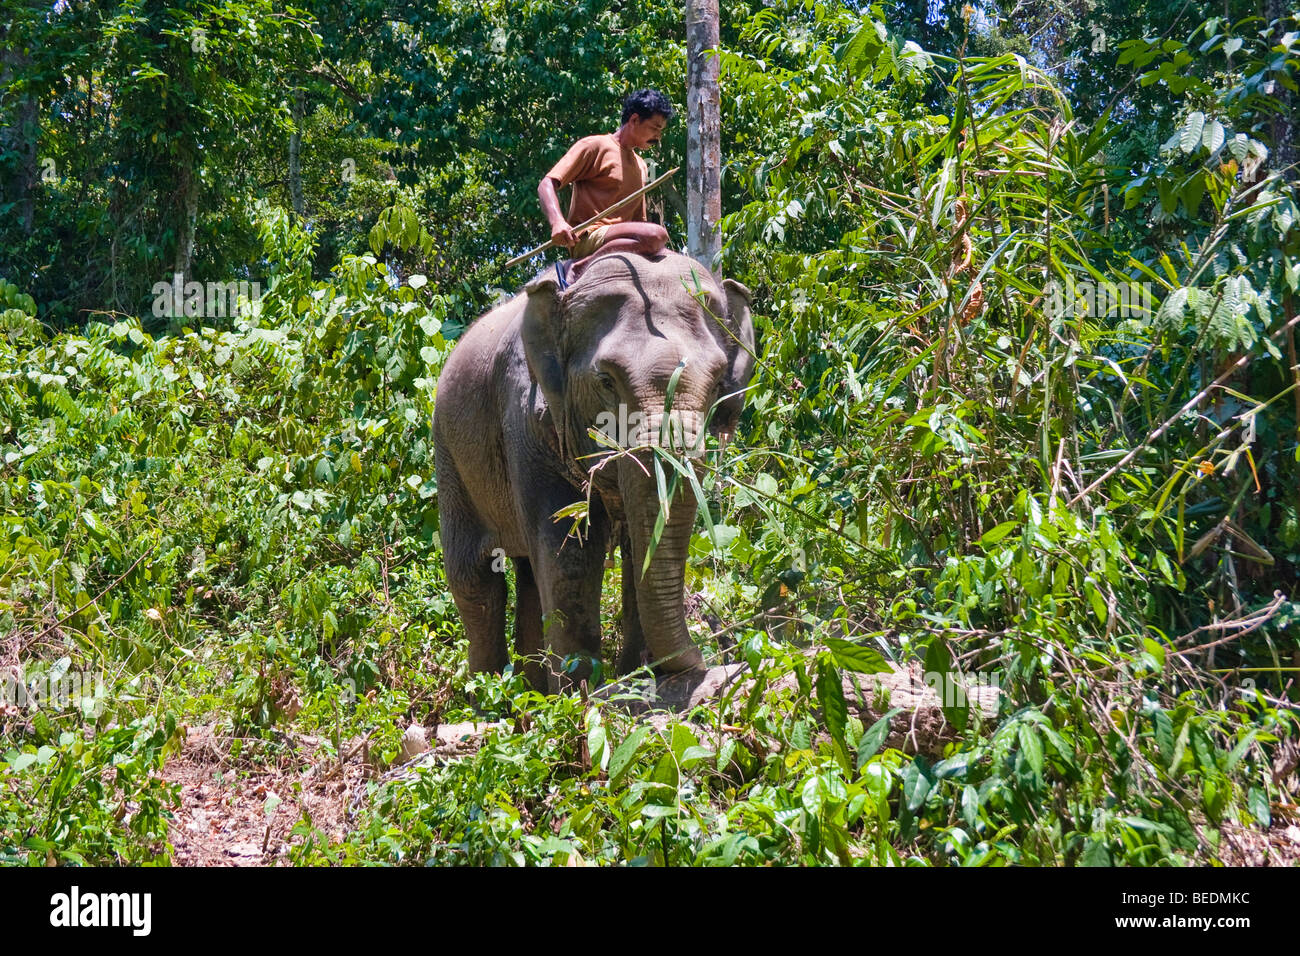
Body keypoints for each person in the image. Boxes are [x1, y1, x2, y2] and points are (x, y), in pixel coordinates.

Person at [538, 89, 673, 288]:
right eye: (654, 128)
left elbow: (639, 221)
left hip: (625, 238)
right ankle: (578, 268)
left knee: (669, 255)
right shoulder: (595, 146)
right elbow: (546, 184)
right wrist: (557, 222)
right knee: (656, 235)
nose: (658, 137)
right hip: (590, 236)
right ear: (634, 120)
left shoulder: (641, 165)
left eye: (661, 131)